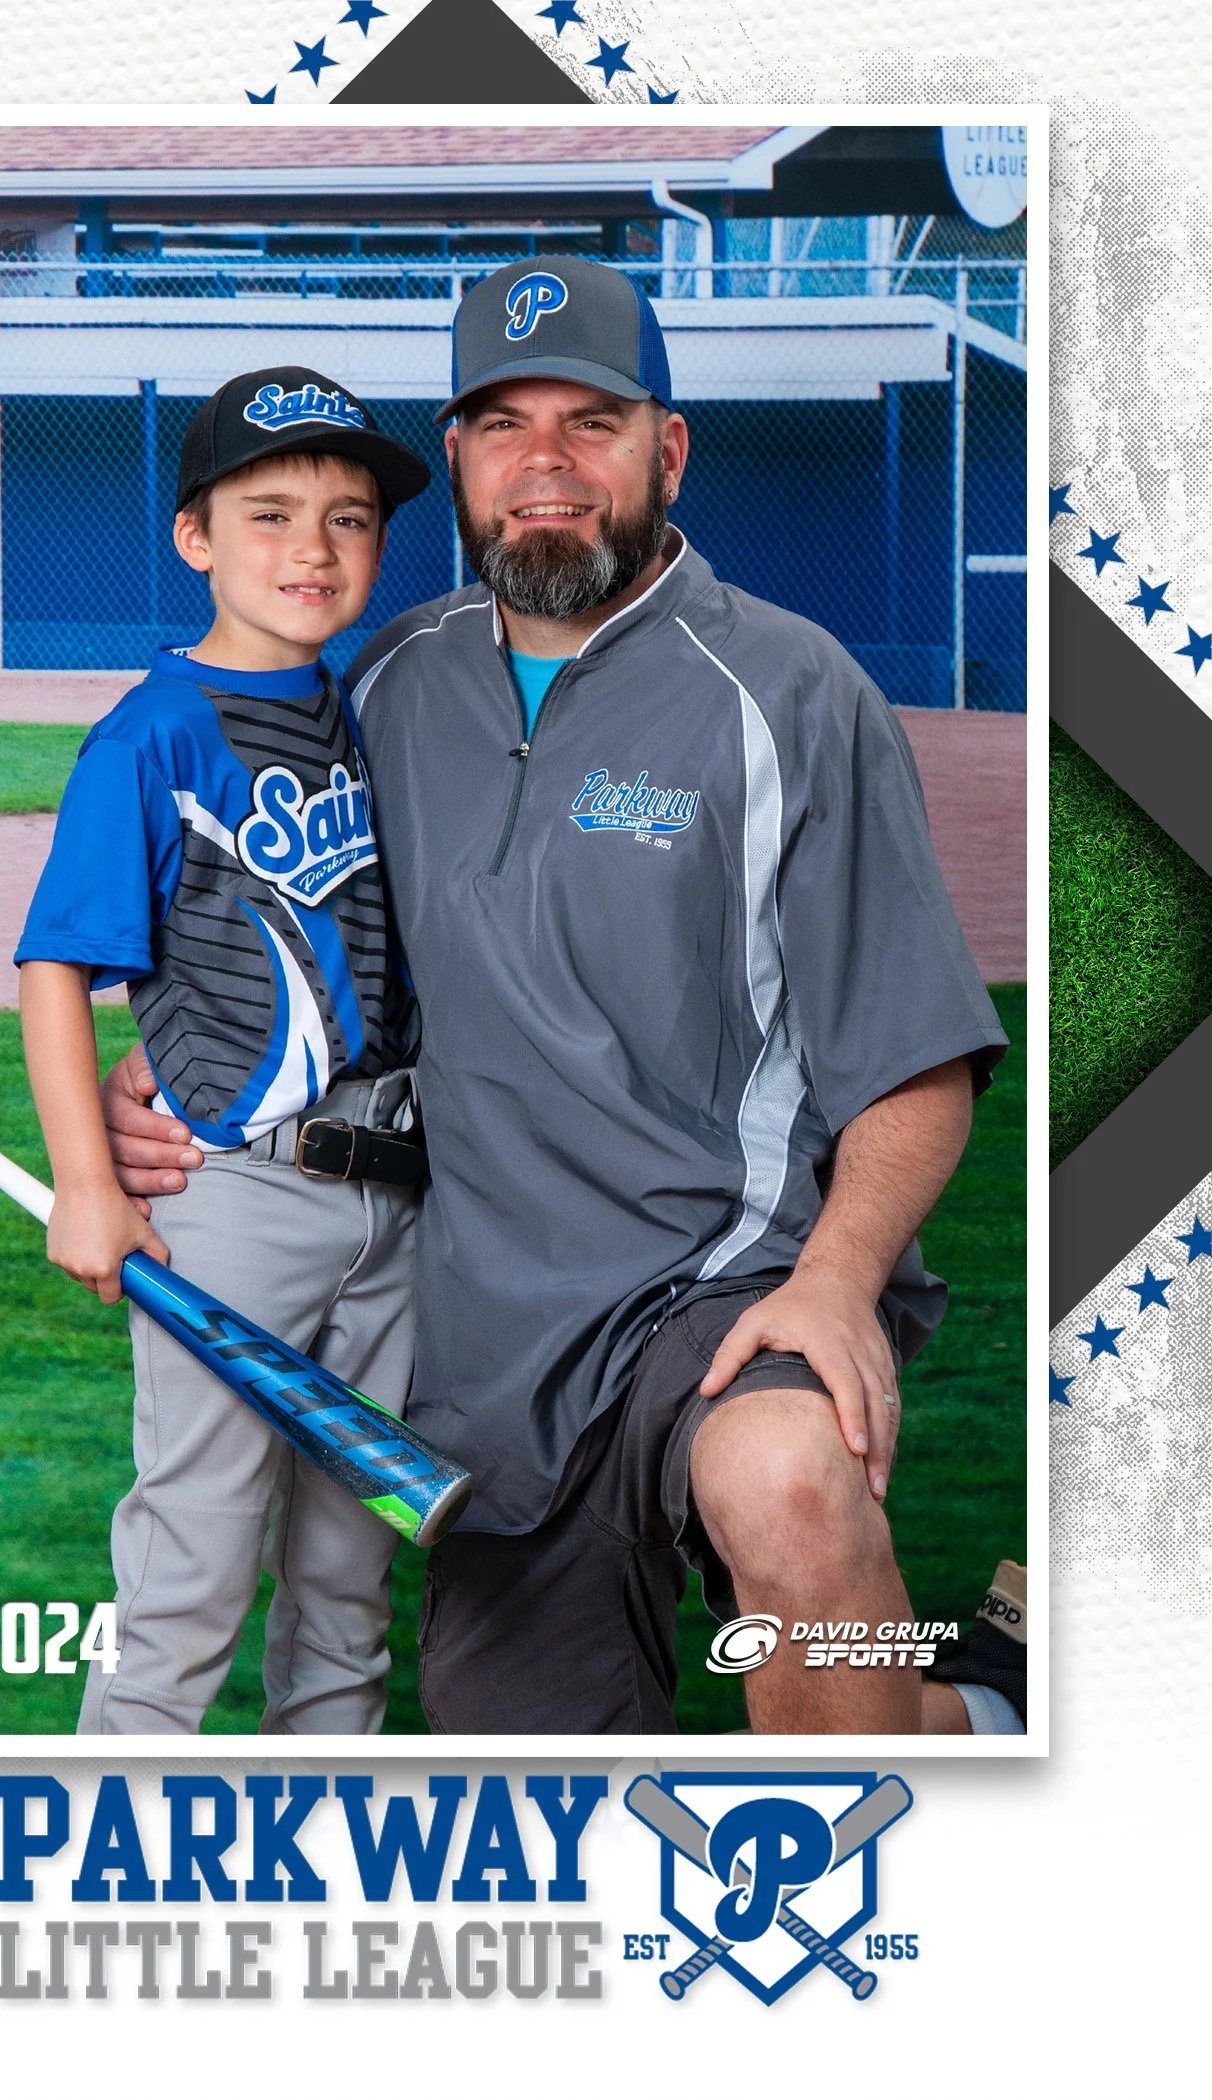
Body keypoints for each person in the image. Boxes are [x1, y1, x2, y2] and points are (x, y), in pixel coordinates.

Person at [102, 260, 1022, 1736]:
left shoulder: (789, 688)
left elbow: (916, 1054)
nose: (546, 464)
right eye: (502, 424)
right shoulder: (387, 684)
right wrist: (166, 1072)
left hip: (722, 1276)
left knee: (786, 1476)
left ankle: (901, 1904)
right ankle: (967, 1708)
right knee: (537, 1799)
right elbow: (304, 955)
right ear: (456, 460)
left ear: (667, 449)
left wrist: (838, 1283)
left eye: (592, 422)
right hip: (482, 1343)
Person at [14, 366, 432, 1734]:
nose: (313, 549)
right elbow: (54, 966)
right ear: (193, 536)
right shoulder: (150, 736)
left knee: (348, 1577)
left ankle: (329, 1858)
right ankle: (105, 1866)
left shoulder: (364, 710)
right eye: (269, 514)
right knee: (192, 1565)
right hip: (241, 1205)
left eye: (350, 518)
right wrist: (89, 1179)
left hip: (400, 1208)